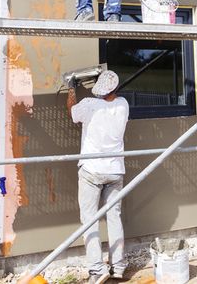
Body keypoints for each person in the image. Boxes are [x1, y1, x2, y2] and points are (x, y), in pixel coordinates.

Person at [67, 70, 129, 283]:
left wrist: (71, 88)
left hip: (92, 171)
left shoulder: (89, 105)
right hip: (115, 171)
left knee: (89, 220)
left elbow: (72, 112)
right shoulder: (123, 105)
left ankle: (97, 269)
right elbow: (110, 96)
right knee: (114, 217)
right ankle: (118, 266)